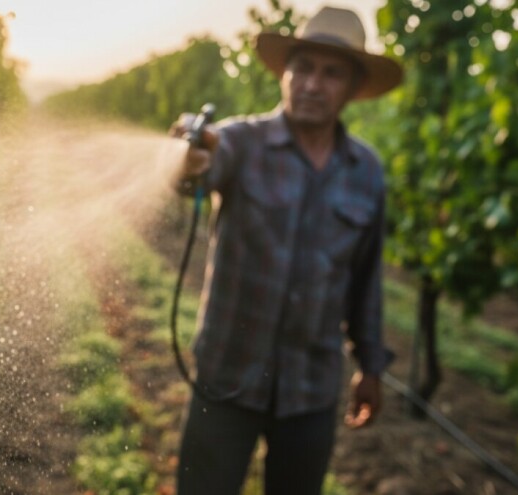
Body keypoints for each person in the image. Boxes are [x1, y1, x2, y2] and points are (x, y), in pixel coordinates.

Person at [168, 6, 403, 495]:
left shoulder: (366, 171)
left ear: (353, 88)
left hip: (311, 389)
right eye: (302, 68)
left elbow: (365, 280)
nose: (312, 84)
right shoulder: (240, 141)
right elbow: (195, 164)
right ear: (285, 74)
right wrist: (187, 153)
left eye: (331, 73)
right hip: (227, 377)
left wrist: (370, 366)